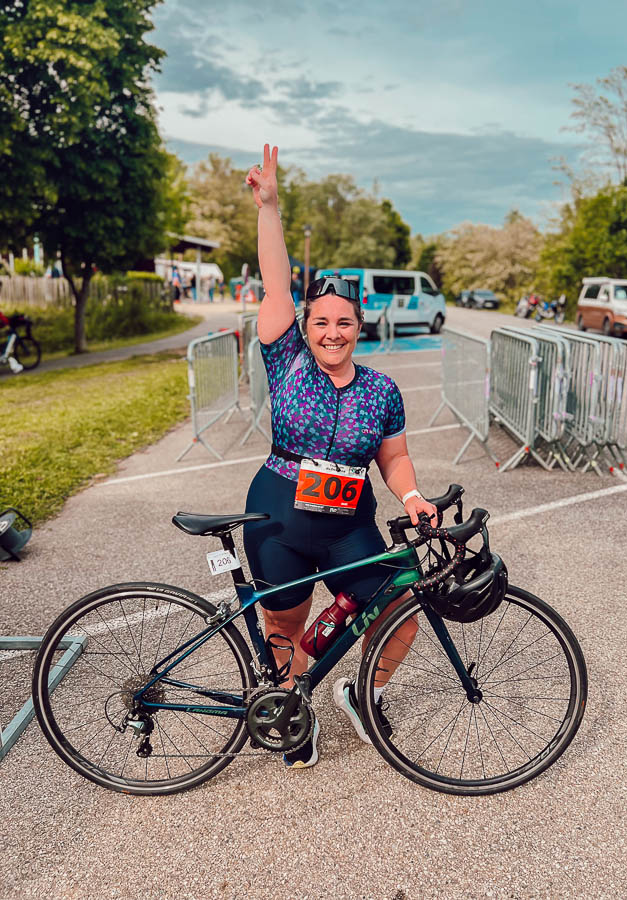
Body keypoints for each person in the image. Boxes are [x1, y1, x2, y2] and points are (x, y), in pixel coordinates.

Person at [243, 145, 437, 769]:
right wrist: (269, 208)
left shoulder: (382, 388)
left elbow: (395, 457)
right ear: (305, 327)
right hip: (279, 516)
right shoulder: (287, 361)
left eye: (344, 323)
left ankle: (361, 692)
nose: (332, 332)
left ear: (360, 327)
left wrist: (411, 497)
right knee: (284, 628)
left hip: (349, 523)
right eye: (321, 321)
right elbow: (277, 280)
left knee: (400, 614)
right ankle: (290, 712)